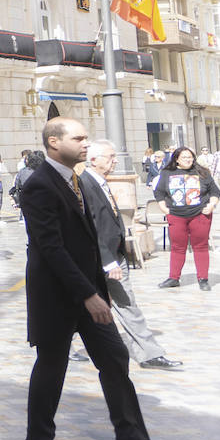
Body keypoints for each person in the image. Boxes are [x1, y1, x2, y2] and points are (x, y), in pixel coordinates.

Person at [20, 117, 183, 440]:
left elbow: (88, 242)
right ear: (53, 143)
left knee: (115, 360)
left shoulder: (77, 180)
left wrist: (98, 288)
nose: (85, 144)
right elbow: (52, 248)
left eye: (85, 138)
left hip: (89, 292)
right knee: (52, 367)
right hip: (56, 295)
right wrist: (87, 294)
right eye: (78, 138)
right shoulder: (39, 186)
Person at [71, 141, 181, 370]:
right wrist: (108, 260)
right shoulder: (84, 185)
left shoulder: (99, 182)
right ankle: (62, 346)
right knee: (79, 307)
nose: (115, 160)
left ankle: (149, 354)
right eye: (110, 156)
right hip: (101, 259)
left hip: (114, 255)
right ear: (94, 160)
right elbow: (90, 227)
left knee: (126, 304)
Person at [152, 146, 218, 291]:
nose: (188, 160)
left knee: (200, 246)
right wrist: (164, 208)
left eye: (190, 157)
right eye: (184, 157)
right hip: (176, 216)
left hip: (200, 215)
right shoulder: (167, 173)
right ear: (176, 159)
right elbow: (159, 192)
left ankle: (203, 278)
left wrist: (212, 205)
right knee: (177, 247)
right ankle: (174, 278)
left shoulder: (203, 172)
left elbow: (215, 191)